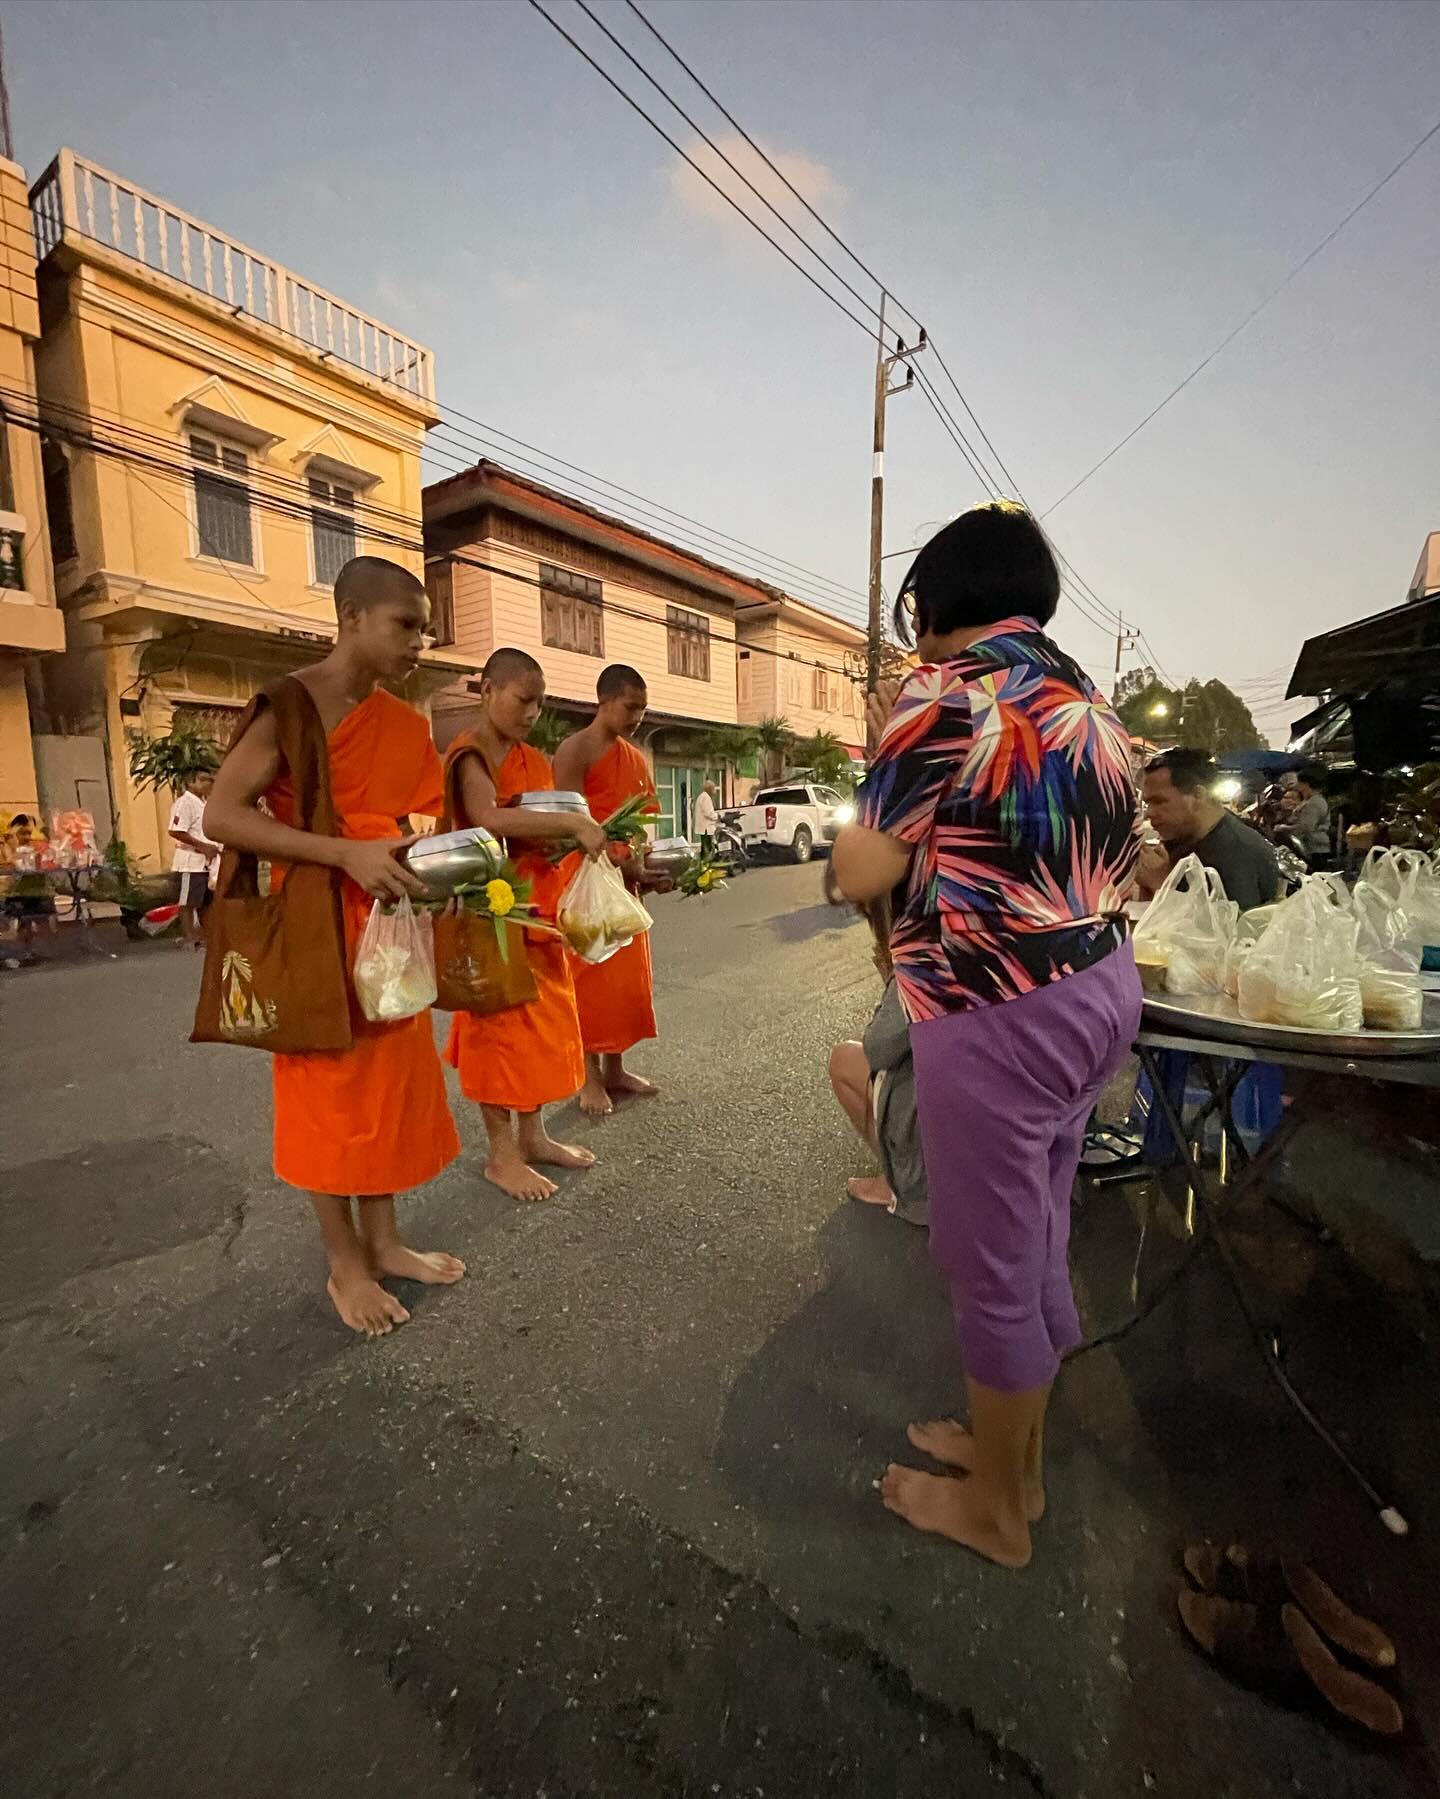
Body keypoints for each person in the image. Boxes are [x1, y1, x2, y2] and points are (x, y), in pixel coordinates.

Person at [831, 500, 1143, 1570]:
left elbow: (860, 869)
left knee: (990, 1263)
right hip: (1098, 991)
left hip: (996, 1008)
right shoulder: (1089, 704)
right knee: (1038, 1231)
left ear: (938, 603)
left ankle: (999, 1511)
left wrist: (873, 795)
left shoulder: (946, 695)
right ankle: (1019, 1459)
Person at [203, 556, 464, 1338]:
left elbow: (410, 823)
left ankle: (384, 1242)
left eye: (424, 628)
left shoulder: (405, 724)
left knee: (385, 1093)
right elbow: (223, 814)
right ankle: (343, 1261)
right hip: (316, 924)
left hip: (387, 928)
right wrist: (342, 852)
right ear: (352, 616)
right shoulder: (290, 706)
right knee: (328, 1099)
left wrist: (438, 872)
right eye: (406, 625)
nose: (420, 642)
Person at [442, 647, 609, 1201]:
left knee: (541, 1038)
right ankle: (501, 1155)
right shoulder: (471, 756)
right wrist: (567, 821)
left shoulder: (530, 759)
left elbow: (533, 829)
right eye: (523, 699)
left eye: (539, 702)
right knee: (498, 1040)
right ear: (487, 690)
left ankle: (533, 1137)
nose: (532, 712)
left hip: (537, 914)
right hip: (491, 918)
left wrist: (567, 836)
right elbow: (488, 819)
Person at [554, 663, 664, 1119]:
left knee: (626, 984)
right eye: (630, 706)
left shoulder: (635, 757)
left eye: (642, 708)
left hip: (622, 881)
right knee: (589, 980)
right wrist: (600, 852)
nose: (637, 716)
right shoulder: (574, 750)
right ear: (604, 701)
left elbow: (641, 823)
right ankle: (589, 1077)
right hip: (584, 877)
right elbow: (563, 821)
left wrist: (640, 866)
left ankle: (616, 1068)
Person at [827, 889, 927, 1227]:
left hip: (944, 1105)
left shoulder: (920, 950)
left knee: (844, 1060)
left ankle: (899, 1185)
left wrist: (890, 979)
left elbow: (880, 1046)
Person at [1139, 748, 1281, 910]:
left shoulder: (1236, 853)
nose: (1149, 813)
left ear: (1198, 795)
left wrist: (1162, 884)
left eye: (1159, 801)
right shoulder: (1187, 838)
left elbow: (1232, 930)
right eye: (1147, 803)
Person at [168, 770, 221, 948]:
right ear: (191, 782)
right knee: (188, 901)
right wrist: (203, 846)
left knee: (205, 900)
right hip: (190, 861)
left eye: (210, 781)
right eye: (203, 780)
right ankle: (189, 935)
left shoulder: (204, 804)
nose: (208, 784)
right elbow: (176, 830)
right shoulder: (185, 803)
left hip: (206, 862)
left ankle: (205, 934)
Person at [2, 816, 59, 957]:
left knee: (43, 899)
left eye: (29, 833)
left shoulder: (36, 848)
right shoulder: (6, 846)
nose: (27, 836)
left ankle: (33, 946)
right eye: (23, 833)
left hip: (35, 891)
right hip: (12, 893)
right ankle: (21, 947)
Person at [1286, 764, 1332, 862]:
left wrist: (1284, 828)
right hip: (1310, 847)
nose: (1297, 784)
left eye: (1299, 782)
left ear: (1306, 784)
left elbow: (1306, 827)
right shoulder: (1308, 800)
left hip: (1315, 849)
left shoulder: (1315, 802)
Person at [693, 780, 719, 855]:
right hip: (706, 828)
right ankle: (706, 862)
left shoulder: (702, 796)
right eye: (713, 788)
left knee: (705, 846)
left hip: (704, 827)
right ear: (709, 788)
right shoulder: (706, 798)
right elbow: (708, 813)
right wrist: (717, 816)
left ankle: (704, 861)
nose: (714, 791)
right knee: (707, 847)